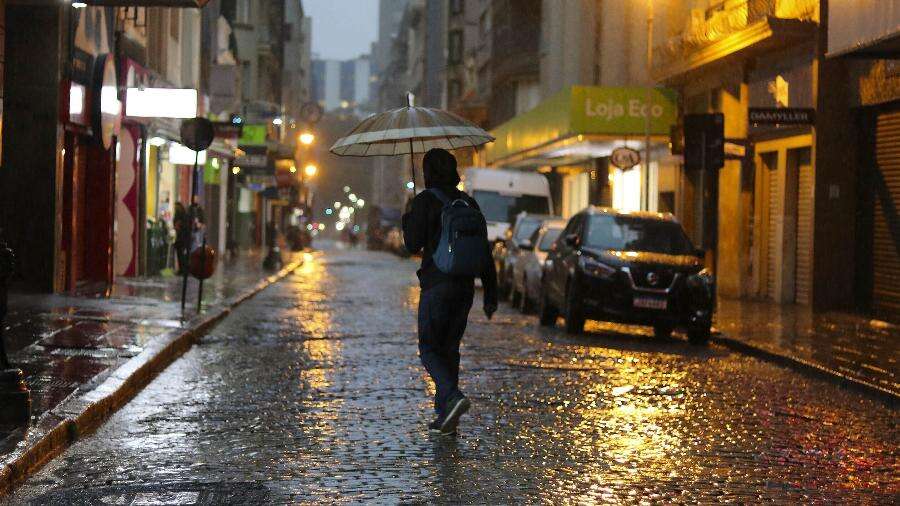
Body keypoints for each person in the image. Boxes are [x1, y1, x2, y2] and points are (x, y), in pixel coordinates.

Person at [402, 148, 497, 436]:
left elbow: (411, 244)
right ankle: (446, 416)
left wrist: (409, 216)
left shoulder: (424, 201)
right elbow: (484, 250)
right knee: (450, 350)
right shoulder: (468, 202)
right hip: (465, 288)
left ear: (429, 172)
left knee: (430, 349)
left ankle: (452, 398)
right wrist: (491, 294)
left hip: (437, 285)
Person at [173, 202, 189, 275]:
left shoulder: (181, 216)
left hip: (182, 238)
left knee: (181, 254)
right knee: (181, 254)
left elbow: (181, 226)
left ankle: (183, 269)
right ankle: (182, 269)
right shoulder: (182, 215)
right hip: (182, 238)